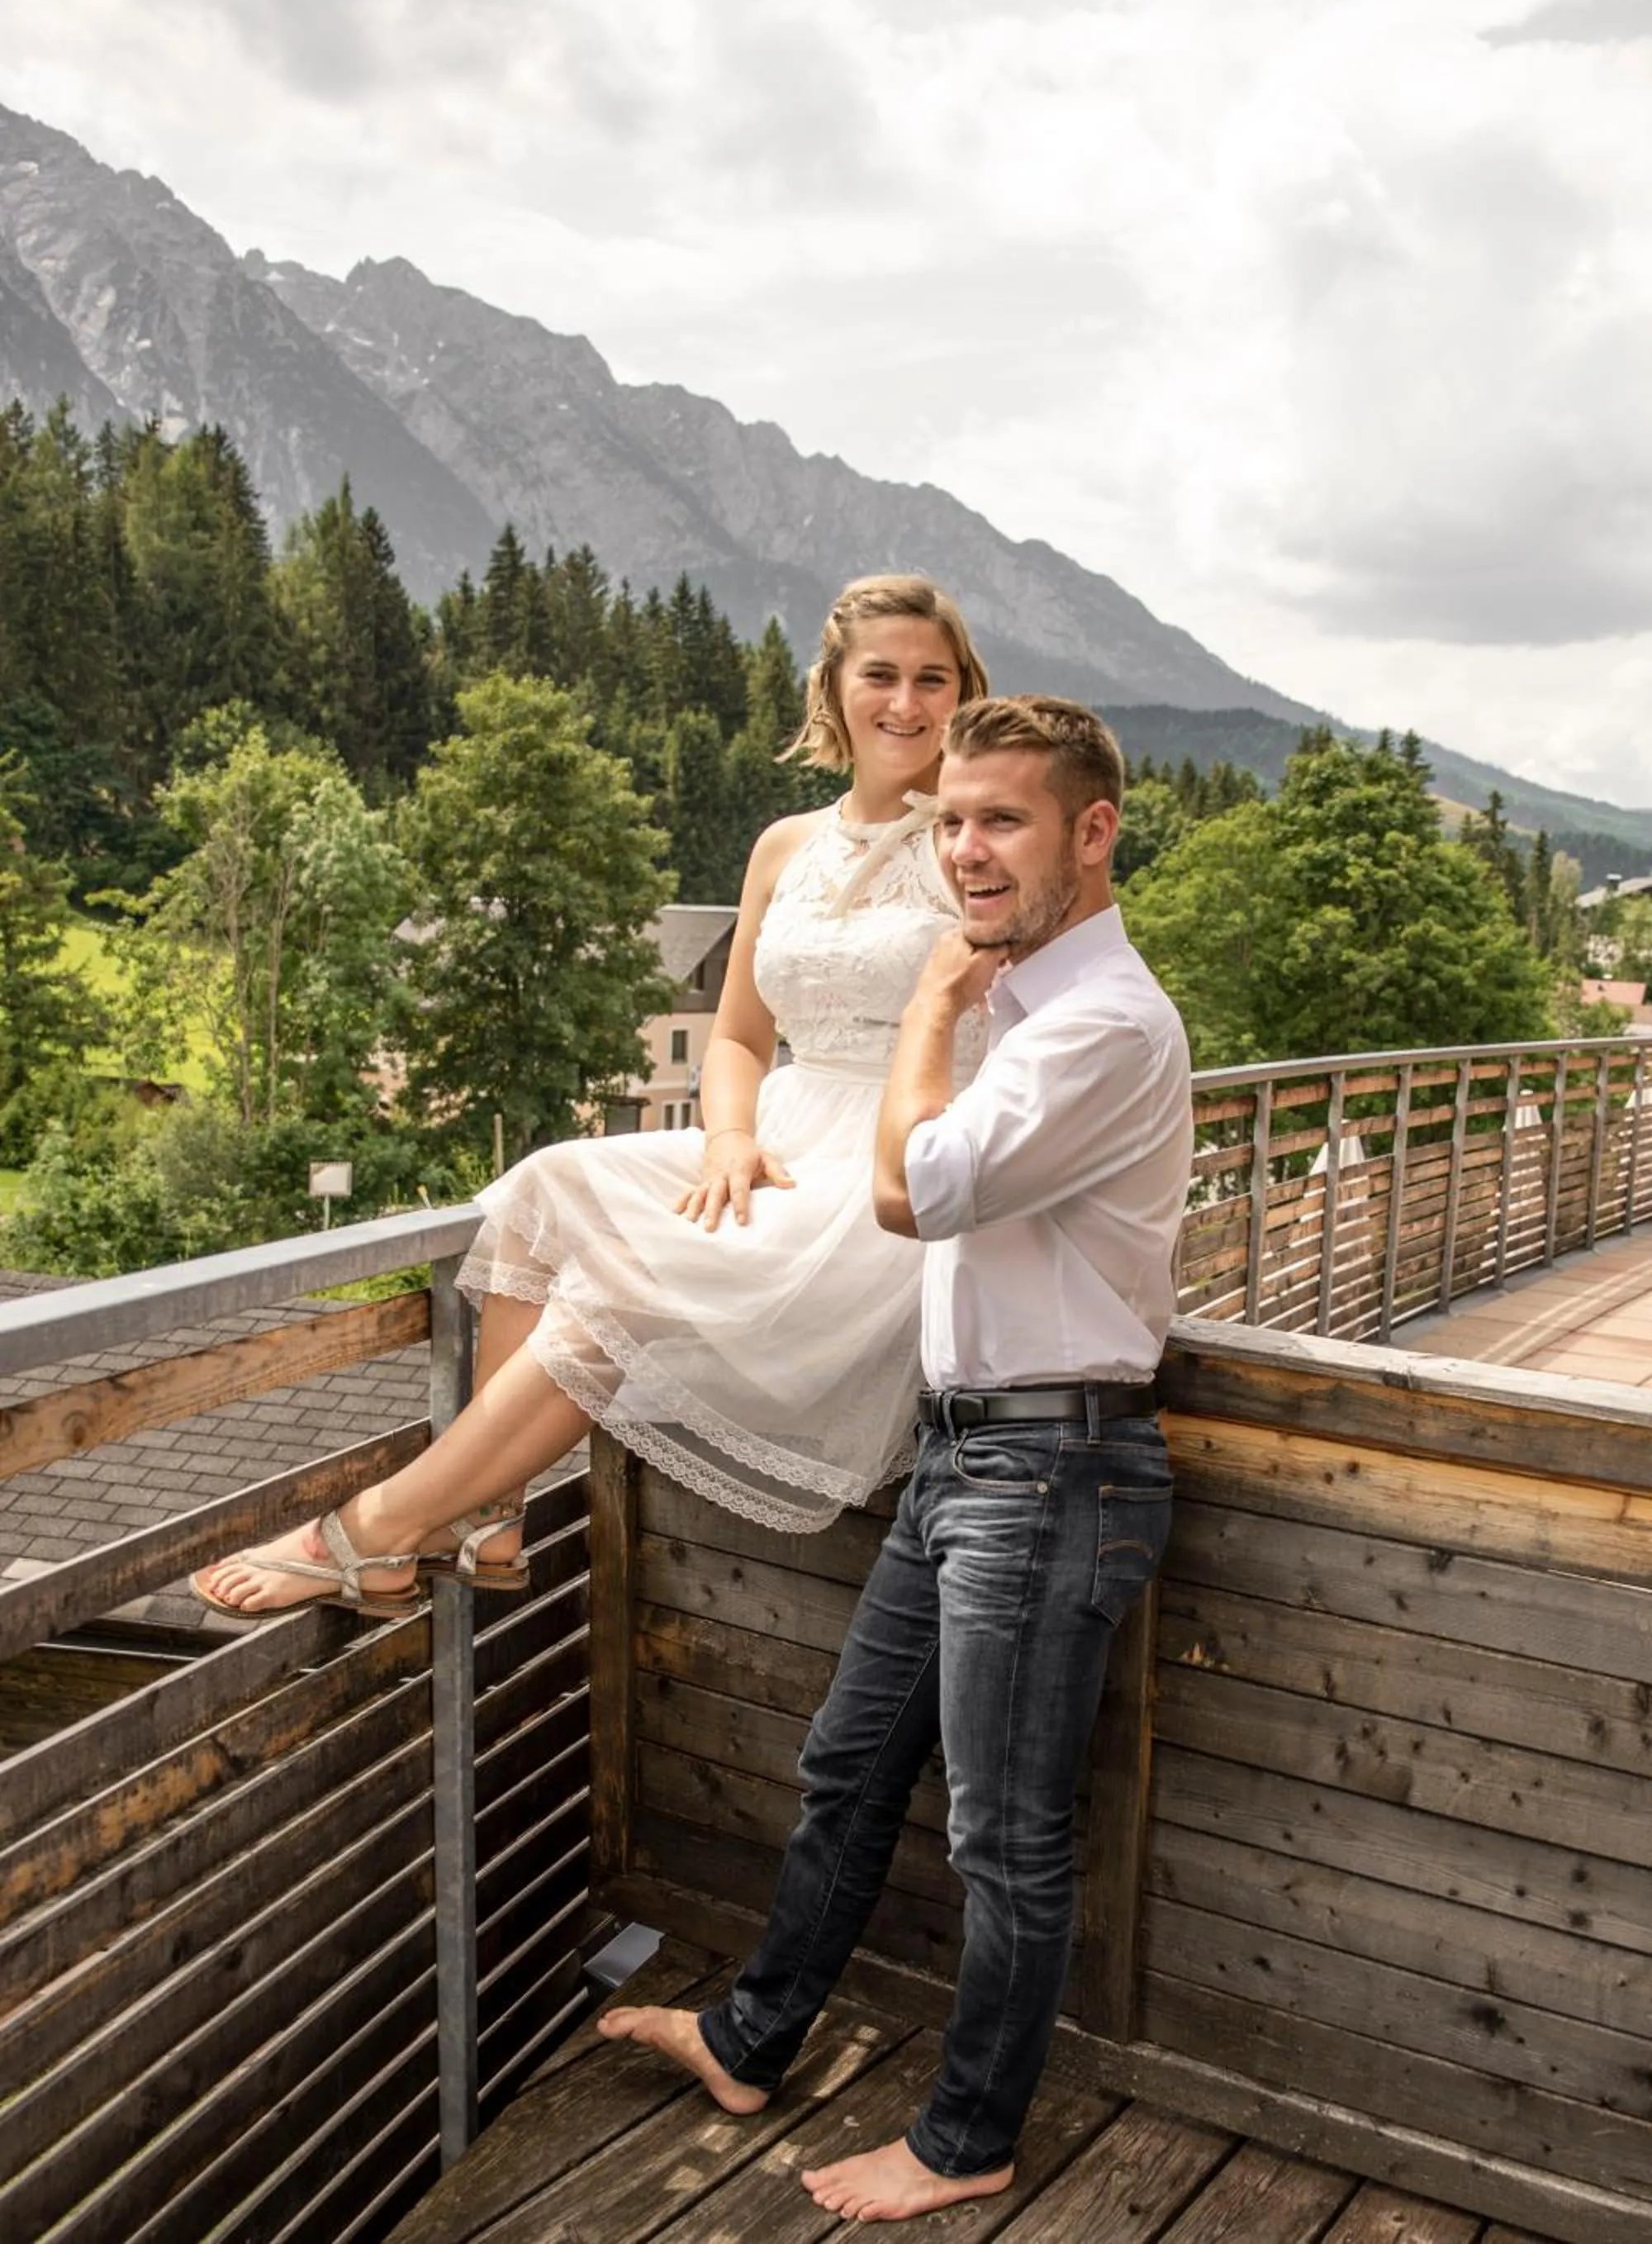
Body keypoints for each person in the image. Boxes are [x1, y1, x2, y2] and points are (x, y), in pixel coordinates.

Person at [601, 695, 1194, 2225]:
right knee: (848, 1768)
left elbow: (907, 1194)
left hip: (1054, 1471)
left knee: (1005, 1839)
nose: (966, 850)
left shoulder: (1100, 1025)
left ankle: (966, 2139)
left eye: (1000, 819)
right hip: (968, 1460)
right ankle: (751, 2036)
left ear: (1094, 830)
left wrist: (927, 1002)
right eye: (950, 821)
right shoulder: (1027, 1003)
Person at [193, 576, 991, 1619]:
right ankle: (488, 1517)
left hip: (889, 1158)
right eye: (879, 674)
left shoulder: (976, 839)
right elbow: (741, 1035)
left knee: (619, 1290)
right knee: (539, 1188)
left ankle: (373, 1529)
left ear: (961, 692)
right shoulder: (784, 846)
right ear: (831, 690)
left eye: (932, 679)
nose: (905, 701)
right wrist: (728, 1140)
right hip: (781, 1131)